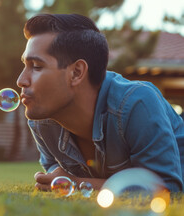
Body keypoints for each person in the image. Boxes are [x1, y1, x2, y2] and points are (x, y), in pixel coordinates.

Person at [16, 14, 184, 192]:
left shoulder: (136, 103)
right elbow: (52, 165)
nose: (21, 80)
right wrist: (55, 176)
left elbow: (167, 187)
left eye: (36, 66)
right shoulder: (42, 120)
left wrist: (73, 183)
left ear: (76, 73)